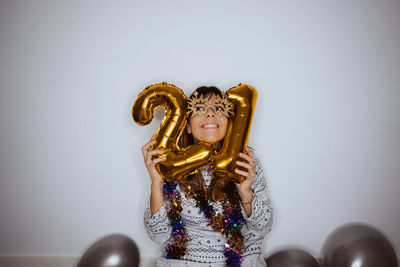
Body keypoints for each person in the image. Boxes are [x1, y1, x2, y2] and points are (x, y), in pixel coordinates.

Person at [142, 86, 274, 267]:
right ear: (187, 125)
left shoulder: (247, 163)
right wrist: (156, 182)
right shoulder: (171, 166)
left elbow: (263, 227)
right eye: (199, 108)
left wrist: (245, 192)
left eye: (219, 108)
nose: (210, 114)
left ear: (230, 123)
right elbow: (158, 235)